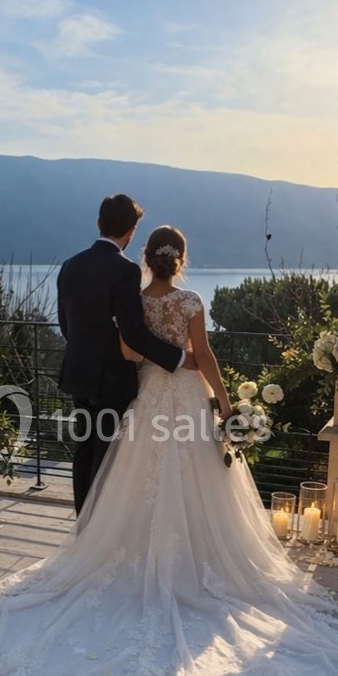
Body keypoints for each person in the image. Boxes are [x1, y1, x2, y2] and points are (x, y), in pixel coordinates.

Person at [0, 224, 338, 676]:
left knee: (135, 476)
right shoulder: (190, 300)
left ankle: (125, 553)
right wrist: (226, 407)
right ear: (179, 260)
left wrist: (153, 357)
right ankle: (198, 560)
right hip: (185, 395)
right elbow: (202, 356)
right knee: (201, 480)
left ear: (147, 259)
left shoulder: (137, 301)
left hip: (148, 397)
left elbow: (130, 353)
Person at [56, 192, 194, 513]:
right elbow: (132, 332)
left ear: (99, 223)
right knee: (106, 457)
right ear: (131, 232)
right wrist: (177, 358)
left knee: (84, 450)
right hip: (111, 379)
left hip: (78, 374)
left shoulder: (70, 266)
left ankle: (83, 525)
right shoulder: (125, 270)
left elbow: (66, 325)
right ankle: (97, 530)